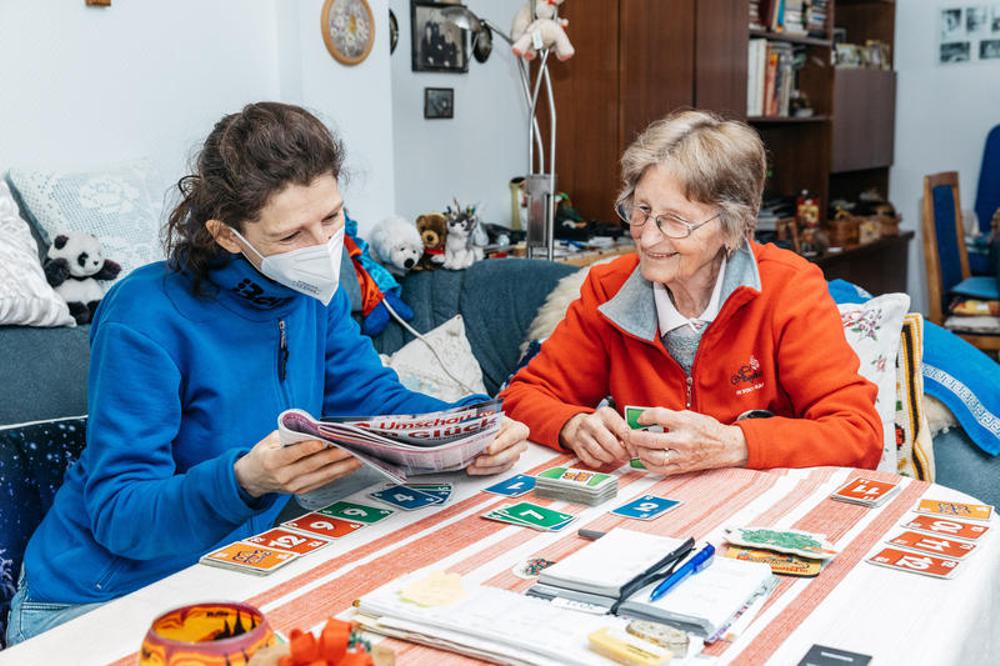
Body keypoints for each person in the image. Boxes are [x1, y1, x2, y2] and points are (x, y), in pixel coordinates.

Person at [6, 102, 529, 646]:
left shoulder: (310, 292)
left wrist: (473, 425)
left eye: (330, 219)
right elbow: (120, 513)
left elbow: (369, 395)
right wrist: (245, 480)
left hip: (230, 577)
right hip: (97, 599)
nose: (321, 248)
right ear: (228, 235)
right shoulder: (143, 315)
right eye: (290, 235)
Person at [500, 110, 881, 475]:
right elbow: (523, 396)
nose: (648, 237)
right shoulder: (607, 290)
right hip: (650, 511)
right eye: (642, 210)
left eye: (675, 221)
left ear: (733, 228)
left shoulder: (788, 288)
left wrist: (735, 444)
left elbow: (857, 433)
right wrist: (571, 424)